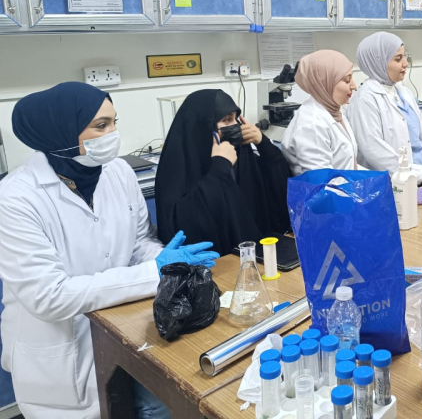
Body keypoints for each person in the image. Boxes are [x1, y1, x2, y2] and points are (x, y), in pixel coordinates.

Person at [0, 82, 218, 419]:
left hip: (120, 333)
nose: (113, 134)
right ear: (60, 131)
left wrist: (165, 262)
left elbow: (138, 241)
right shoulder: (15, 198)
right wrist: (152, 272)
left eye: (115, 122)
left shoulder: (118, 172)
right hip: (60, 358)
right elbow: (48, 296)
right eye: (101, 125)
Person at [155, 89, 292, 253]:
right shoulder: (176, 171)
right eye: (227, 120)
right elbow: (185, 224)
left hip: (255, 253)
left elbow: (279, 187)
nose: (235, 126)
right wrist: (220, 168)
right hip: (214, 260)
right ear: (202, 126)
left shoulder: (242, 156)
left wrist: (264, 144)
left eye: (236, 119)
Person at [348, 32, 422, 184]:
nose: (405, 64)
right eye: (398, 59)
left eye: (404, 57)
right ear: (378, 62)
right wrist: (420, 173)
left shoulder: (403, 92)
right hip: (394, 183)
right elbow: (374, 150)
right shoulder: (365, 99)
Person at [281, 50, 363, 175]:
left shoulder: (333, 111)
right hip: (332, 187)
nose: (354, 86)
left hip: (344, 185)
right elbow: (322, 180)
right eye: (347, 80)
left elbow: (348, 165)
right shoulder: (312, 125)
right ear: (324, 83)